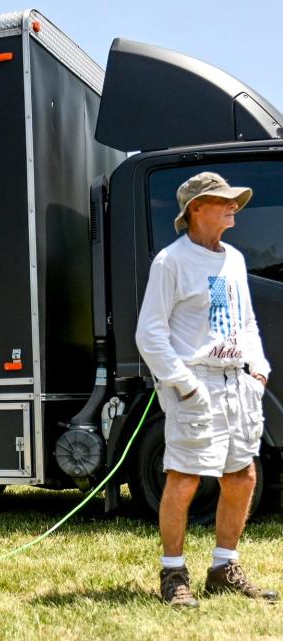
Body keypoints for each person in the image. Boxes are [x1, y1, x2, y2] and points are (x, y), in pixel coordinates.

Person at [135, 171, 277, 608]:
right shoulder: (171, 261)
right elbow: (149, 333)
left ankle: (224, 568)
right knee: (184, 477)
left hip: (239, 383)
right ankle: (173, 573)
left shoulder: (233, 258)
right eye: (223, 200)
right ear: (196, 209)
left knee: (242, 475)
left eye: (234, 199)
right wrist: (186, 385)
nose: (234, 205)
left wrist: (259, 370)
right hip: (196, 382)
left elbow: (244, 320)